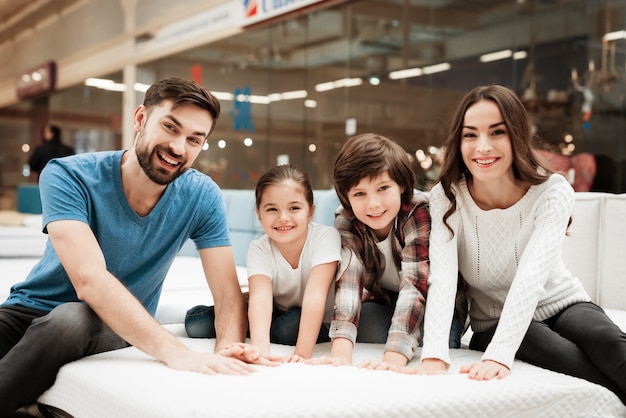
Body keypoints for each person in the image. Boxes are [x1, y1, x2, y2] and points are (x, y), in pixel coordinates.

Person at [0, 77, 275, 415]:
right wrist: (176, 351)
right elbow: (89, 279)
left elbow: (227, 294)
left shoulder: (202, 195)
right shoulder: (69, 175)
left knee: (68, 321)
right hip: (27, 309)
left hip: (106, 322)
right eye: (170, 127)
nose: (178, 147)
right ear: (140, 118)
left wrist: (228, 348)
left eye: (194, 139)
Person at [410, 84, 626, 405]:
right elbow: (443, 279)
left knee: (605, 339)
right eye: (470, 135)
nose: (482, 147)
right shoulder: (447, 195)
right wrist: (435, 355)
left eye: (497, 132)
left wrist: (499, 356)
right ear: (459, 141)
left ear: (517, 135)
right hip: (493, 322)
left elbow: (531, 277)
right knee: (552, 348)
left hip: (562, 302)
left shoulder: (553, 191)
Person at [323, 133, 465, 370]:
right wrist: (340, 357)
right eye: (359, 194)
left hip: (436, 307)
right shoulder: (346, 219)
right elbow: (349, 280)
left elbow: (414, 284)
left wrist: (393, 360)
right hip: (387, 301)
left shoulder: (418, 211)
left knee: (438, 341)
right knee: (347, 328)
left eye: (383, 188)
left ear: (400, 185)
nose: (374, 204)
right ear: (346, 196)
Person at [185, 164, 341, 362]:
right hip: (275, 310)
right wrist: (260, 351)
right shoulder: (259, 247)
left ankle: (265, 326)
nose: (283, 218)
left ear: (310, 211)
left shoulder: (326, 238)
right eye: (272, 209)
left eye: (294, 208)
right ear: (259, 214)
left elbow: (315, 297)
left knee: (289, 326)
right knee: (196, 325)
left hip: (312, 317)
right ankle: (241, 317)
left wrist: (302, 355)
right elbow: (261, 299)